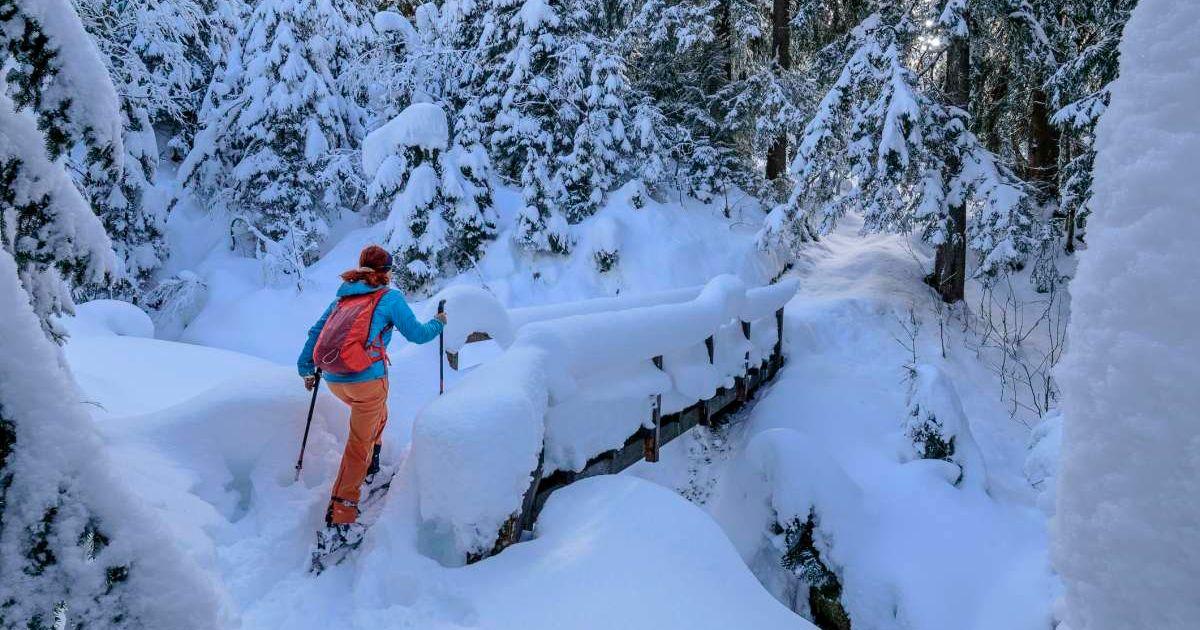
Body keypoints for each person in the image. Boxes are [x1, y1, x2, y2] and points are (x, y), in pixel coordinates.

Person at [297, 244, 446, 528]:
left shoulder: (342, 299)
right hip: (367, 381)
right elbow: (417, 335)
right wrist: (438, 323)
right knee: (357, 445)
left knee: (380, 415)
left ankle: (371, 466)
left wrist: (306, 369)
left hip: (333, 380)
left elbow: (316, 333)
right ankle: (342, 513)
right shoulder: (390, 298)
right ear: (387, 272)